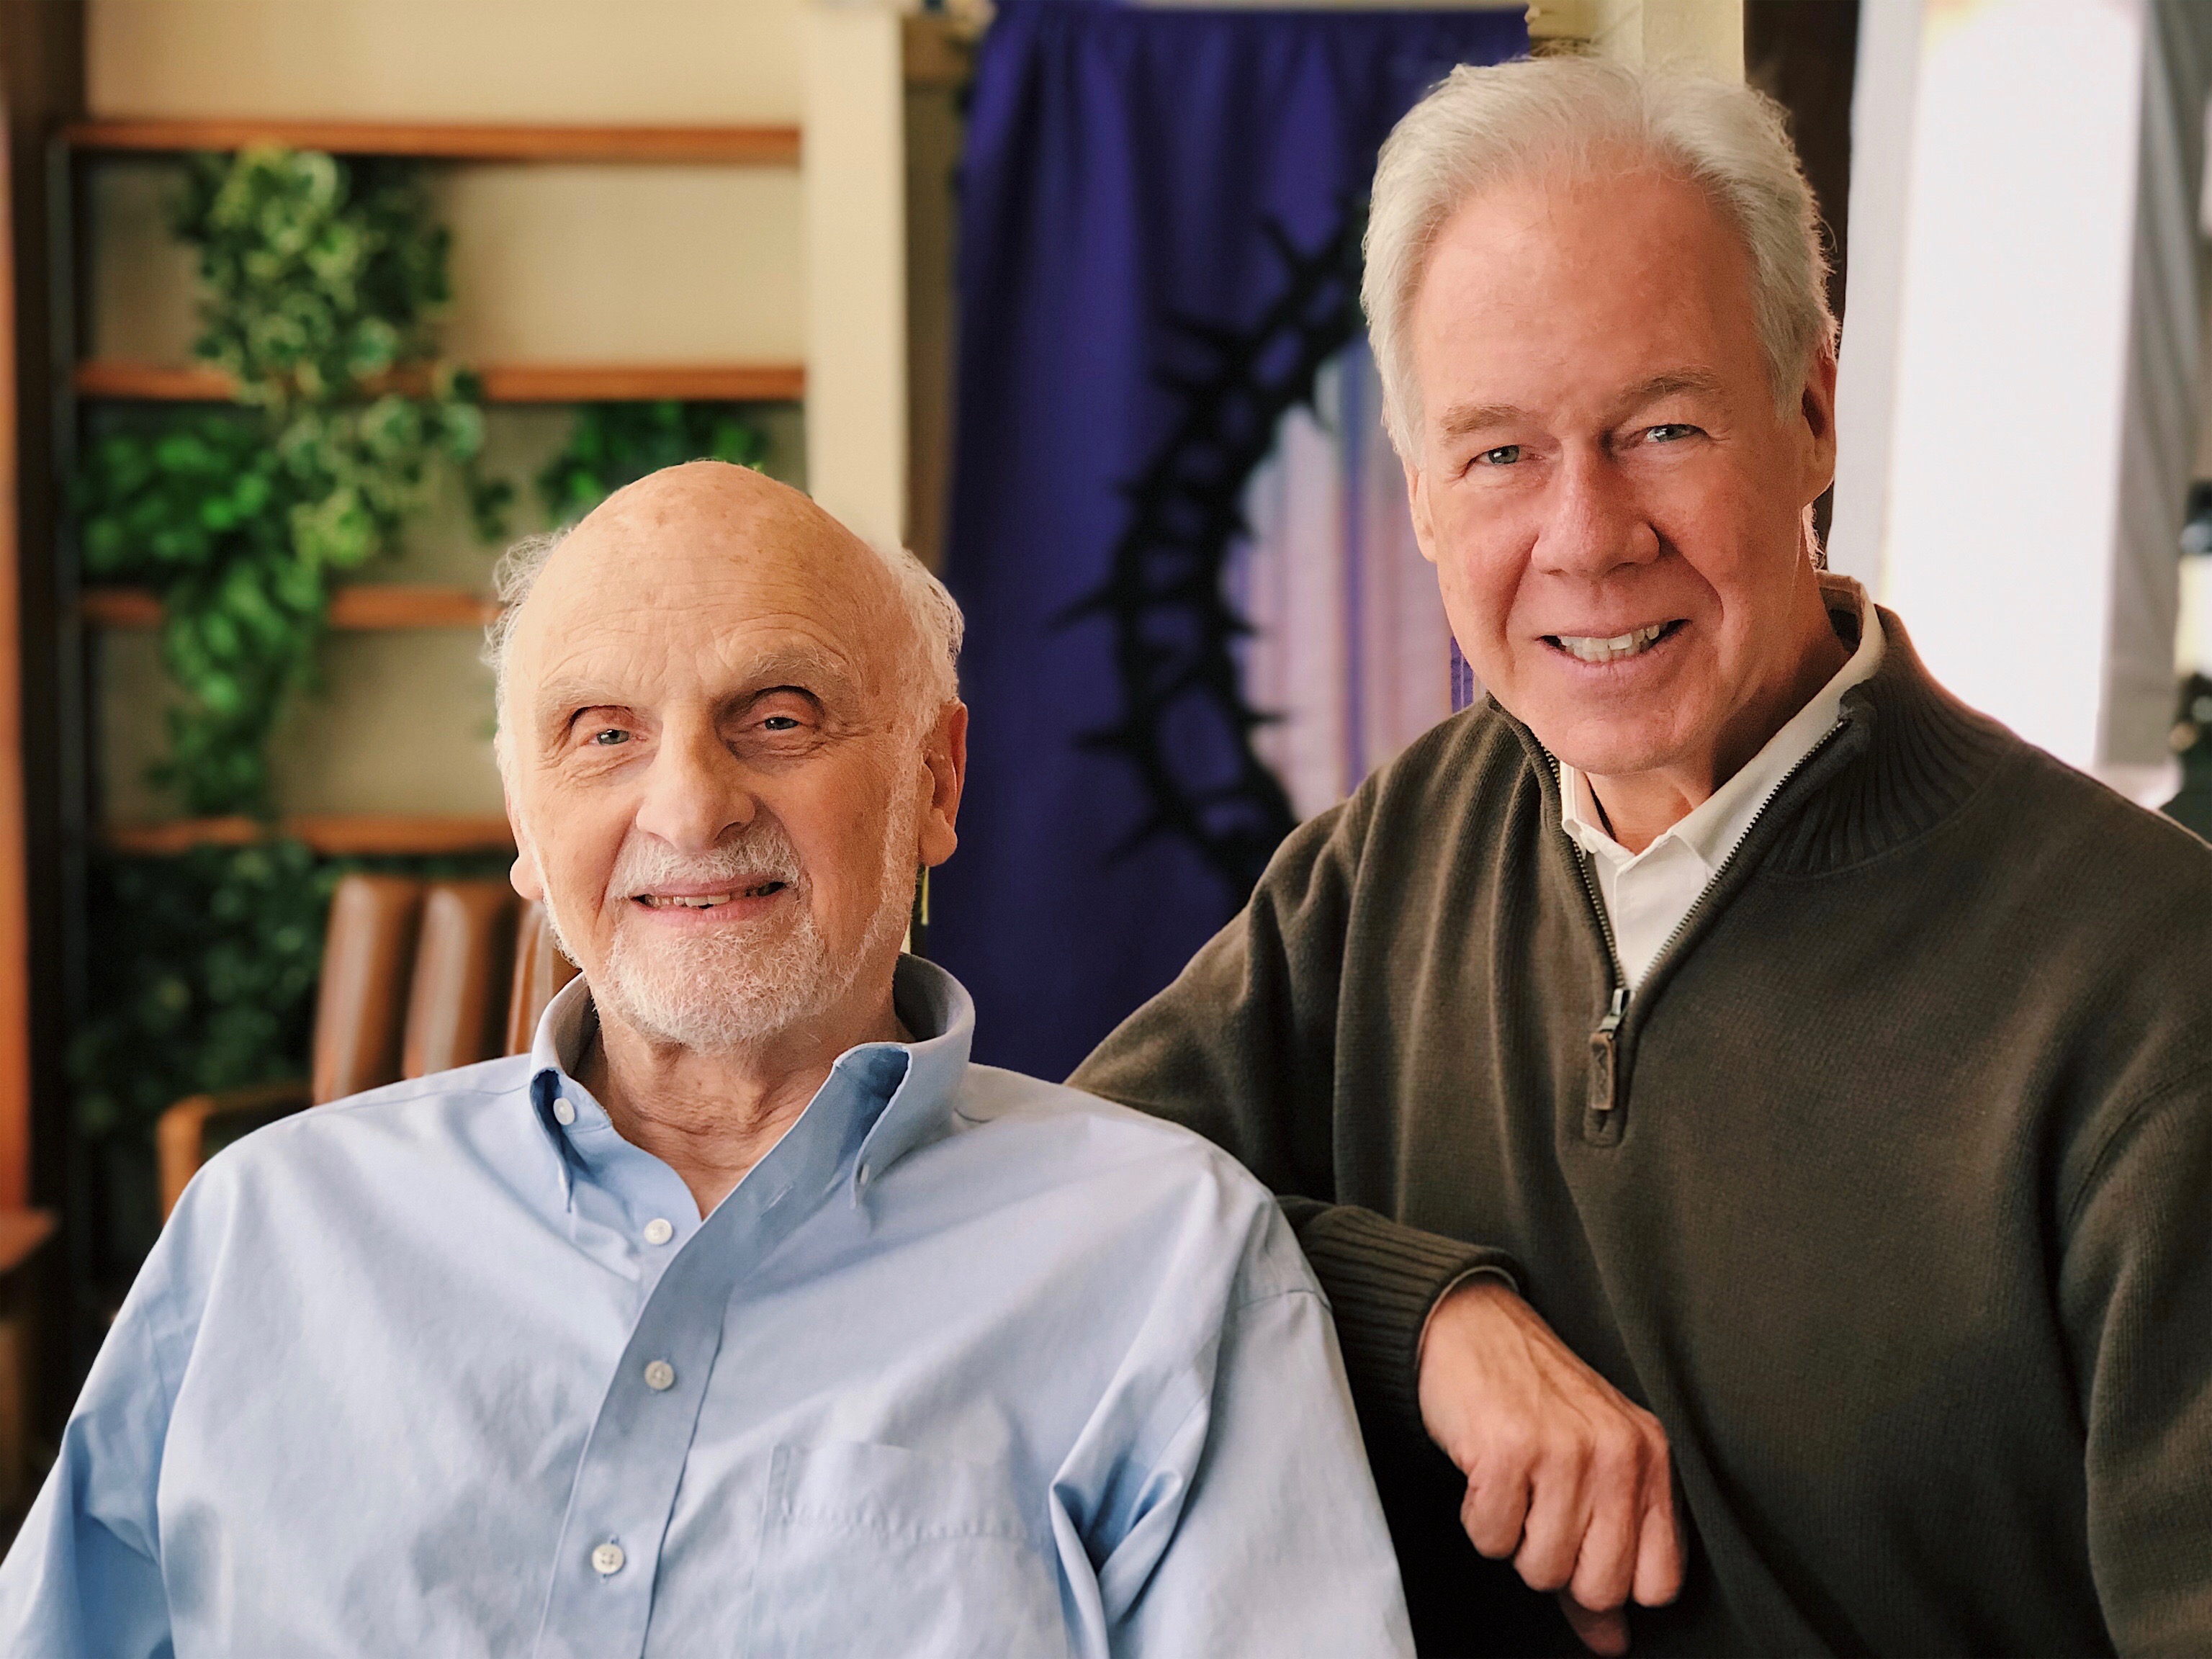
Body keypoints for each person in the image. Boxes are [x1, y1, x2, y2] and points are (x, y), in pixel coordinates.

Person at [1074, 56, 2212, 1658]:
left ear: (1811, 413)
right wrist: (1433, 1322)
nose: (1588, 536)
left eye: (1661, 427)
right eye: (1498, 455)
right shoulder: (1395, 857)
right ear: (1416, 496)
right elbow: (1061, 1220)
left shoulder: (2156, 979)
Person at [0, 463, 1411, 1658]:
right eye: (601, 734)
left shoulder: (1171, 1259)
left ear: (936, 782)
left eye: (778, 718)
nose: (688, 802)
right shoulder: (267, 1235)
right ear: (524, 818)